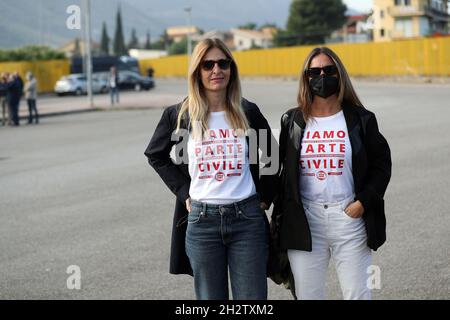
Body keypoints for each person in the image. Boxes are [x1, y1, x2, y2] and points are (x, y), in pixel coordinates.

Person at [144, 38, 276, 300]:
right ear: (197, 71)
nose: (217, 70)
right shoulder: (181, 116)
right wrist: (185, 193)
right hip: (203, 222)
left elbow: (271, 156)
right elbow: (156, 155)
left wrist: (264, 199)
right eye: (208, 64)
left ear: (231, 69)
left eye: (223, 63)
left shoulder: (246, 111)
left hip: (247, 220)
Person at [273, 47, 391, 300]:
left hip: (349, 217)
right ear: (306, 78)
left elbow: (381, 165)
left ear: (340, 74)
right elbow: (279, 170)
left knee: (358, 295)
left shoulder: (361, 119)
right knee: (308, 296)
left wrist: (364, 201)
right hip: (305, 220)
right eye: (314, 72)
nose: (322, 76)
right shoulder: (292, 121)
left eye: (329, 70)